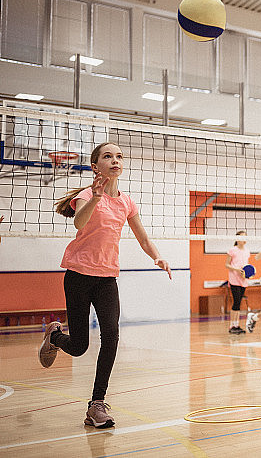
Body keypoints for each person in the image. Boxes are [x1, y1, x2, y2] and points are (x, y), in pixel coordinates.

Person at [38, 142, 171, 428]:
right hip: (78, 275)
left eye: (119, 156)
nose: (115, 160)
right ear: (95, 166)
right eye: (107, 156)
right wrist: (96, 198)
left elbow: (143, 238)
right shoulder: (87, 195)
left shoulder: (127, 202)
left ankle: (96, 403)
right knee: (79, 346)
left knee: (111, 335)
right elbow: (79, 224)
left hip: (107, 278)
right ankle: (55, 337)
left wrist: (158, 256)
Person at [225, 230, 250, 334]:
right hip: (234, 279)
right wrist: (236, 269)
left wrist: (249, 273)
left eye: (245, 237)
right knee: (236, 302)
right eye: (241, 237)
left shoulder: (247, 251)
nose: (243, 239)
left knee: (239, 303)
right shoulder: (232, 250)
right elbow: (227, 264)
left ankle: (237, 325)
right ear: (237, 239)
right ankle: (232, 326)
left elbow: (247, 266)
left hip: (243, 280)